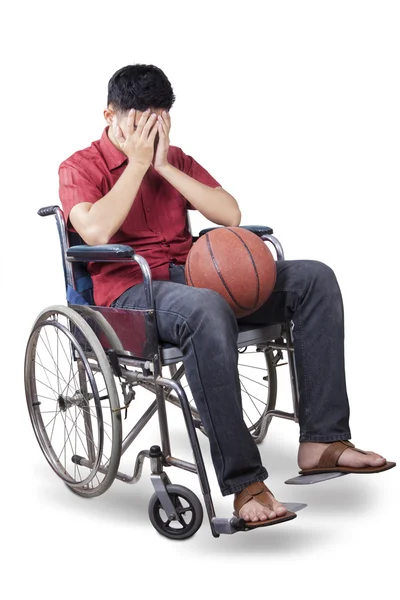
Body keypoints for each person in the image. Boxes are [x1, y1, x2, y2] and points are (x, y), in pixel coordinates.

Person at [59, 64, 395, 529]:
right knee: (207, 307)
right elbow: (94, 228)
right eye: (138, 123)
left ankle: (323, 442)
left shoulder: (175, 158)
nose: (149, 132)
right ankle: (244, 483)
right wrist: (136, 166)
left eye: (159, 121)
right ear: (109, 115)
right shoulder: (79, 166)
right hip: (128, 294)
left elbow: (230, 214)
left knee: (314, 279)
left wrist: (161, 166)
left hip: (191, 276)